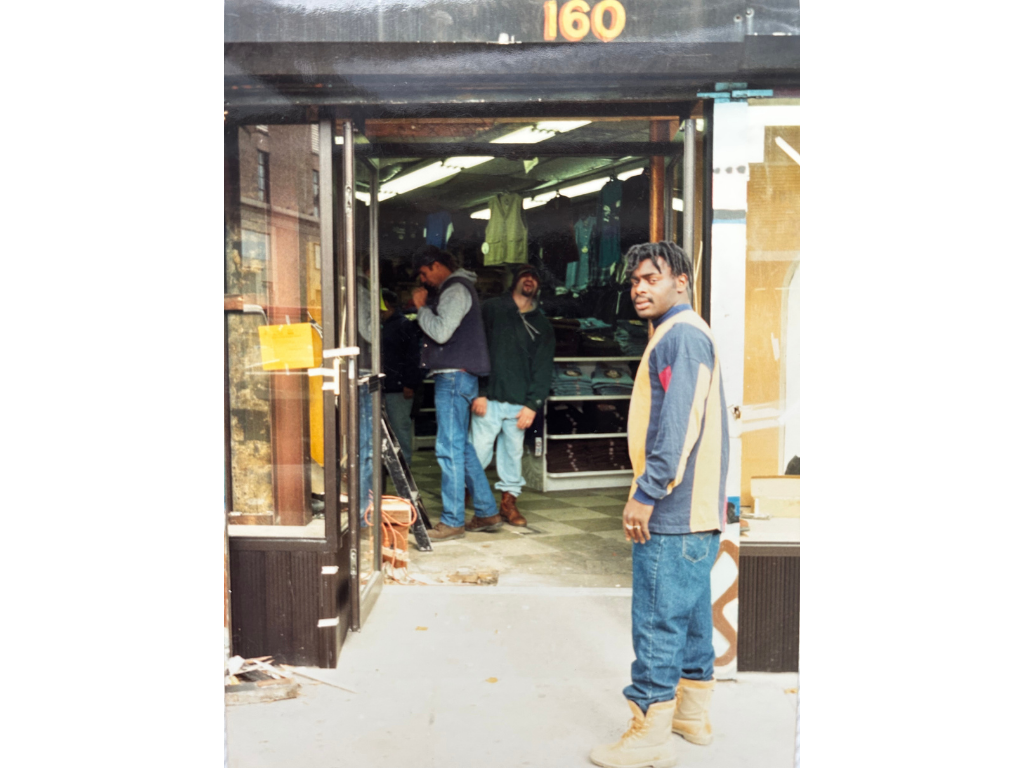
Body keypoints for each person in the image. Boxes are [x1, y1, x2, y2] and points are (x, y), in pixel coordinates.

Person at [590, 242, 729, 768]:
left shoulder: (681, 337)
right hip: (697, 511)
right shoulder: (684, 333)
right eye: (634, 282)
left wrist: (647, 493)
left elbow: (678, 424)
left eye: (652, 278)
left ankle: (648, 734)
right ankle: (692, 716)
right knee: (690, 615)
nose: (640, 289)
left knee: (654, 619)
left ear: (682, 282)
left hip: (673, 510)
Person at [411, 245, 499, 542]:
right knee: (460, 448)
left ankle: (452, 521)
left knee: (448, 449)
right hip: (460, 378)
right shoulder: (460, 288)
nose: (424, 280)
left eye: (424, 273)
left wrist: (421, 308)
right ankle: (487, 511)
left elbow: (440, 332)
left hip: (452, 378)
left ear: (435, 265)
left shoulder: (454, 289)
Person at [470, 265, 555, 527]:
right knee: (477, 453)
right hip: (490, 398)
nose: (529, 280)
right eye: (525, 275)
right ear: (515, 281)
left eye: (535, 277)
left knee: (512, 454)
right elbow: (477, 346)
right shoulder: (493, 308)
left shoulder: (542, 324)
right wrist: (480, 391)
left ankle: (508, 504)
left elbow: (543, 369)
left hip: (519, 404)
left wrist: (532, 405)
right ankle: (467, 498)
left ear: (539, 285)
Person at [380, 288, 423, 463]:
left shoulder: (403, 325)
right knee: (395, 428)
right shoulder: (390, 324)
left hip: (399, 387)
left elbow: (413, 356)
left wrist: (409, 384)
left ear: (387, 305)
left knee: (399, 428)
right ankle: (395, 465)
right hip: (389, 385)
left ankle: (404, 466)